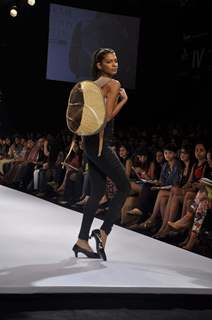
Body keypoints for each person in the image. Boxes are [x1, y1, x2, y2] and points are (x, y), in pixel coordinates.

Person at [72, 48, 130, 260]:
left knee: (96, 193)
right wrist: (123, 101)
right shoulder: (113, 85)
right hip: (101, 144)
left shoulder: (90, 85)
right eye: (109, 62)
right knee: (124, 187)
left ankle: (81, 240)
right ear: (99, 65)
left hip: (88, 143)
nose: (115, 64)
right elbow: (105, 118)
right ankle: (104, 231)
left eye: (116, 60)